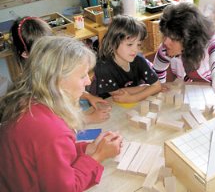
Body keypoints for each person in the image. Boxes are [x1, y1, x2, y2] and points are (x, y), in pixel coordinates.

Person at [0, 36, 123, 191]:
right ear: (58, 81)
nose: (88, 82)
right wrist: (99, 156)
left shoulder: (28, 101)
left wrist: (88, 149)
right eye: (82, 76)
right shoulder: (52, 130)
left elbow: (49, 158)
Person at [10, 16, 111, 123]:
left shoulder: (53, 63)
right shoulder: (34, 86)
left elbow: (65, 86)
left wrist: (88, 96)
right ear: (25, 54)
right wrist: (89, 119)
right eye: (43, 51)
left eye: (51, 47)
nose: (50, 53)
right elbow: (55, 120)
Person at [93, 15, 161, 103]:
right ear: (113, 43)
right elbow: (116, 94)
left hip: (133, 102)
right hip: (110, 105)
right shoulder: (103, 67)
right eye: (129, 44)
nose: (135, 49)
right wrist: (144, 88)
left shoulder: (139, 59)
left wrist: (134, 98)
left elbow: (157, 86)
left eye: (138, 44)